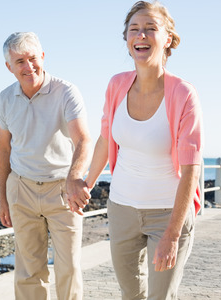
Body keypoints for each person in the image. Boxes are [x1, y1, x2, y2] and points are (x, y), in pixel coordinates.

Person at [69, 1, 203, 299]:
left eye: (150, 29)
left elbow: (192, 168)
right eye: (134, 29)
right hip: (122, 209)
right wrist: (86, 184)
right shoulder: (117, 85)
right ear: (127, 40)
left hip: (167, 213)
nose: (141, 35)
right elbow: (106, 140)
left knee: (159, 296)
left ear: (167, 38)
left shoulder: (183, 93)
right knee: (131, 295)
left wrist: (172, 232)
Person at [0, 32, 91, 300]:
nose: (28, 67)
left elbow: (83, 139)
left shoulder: (66, 92)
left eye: (32, 59)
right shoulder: (4, 99)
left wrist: (74, 177)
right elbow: (4, 149)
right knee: (28, 270)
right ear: (9, 67)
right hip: (22, 189)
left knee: (68, 267)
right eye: (20, 62)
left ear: (43, 57)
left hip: (63, 191)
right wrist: (3, 197)